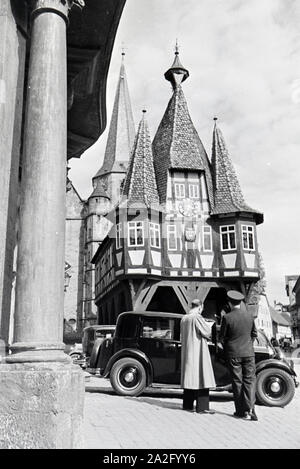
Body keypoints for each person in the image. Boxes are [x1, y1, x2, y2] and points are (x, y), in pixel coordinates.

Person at [219, 290, 258, 421]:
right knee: (249, 380)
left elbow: (222, 338)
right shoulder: (249, 316)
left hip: (233, 353)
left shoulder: (227, 318)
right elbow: (254, 334)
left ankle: (241, 411)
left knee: (237, 382)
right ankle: (251, 409)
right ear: (240, 302)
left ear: (230, 303)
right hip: (248, 353)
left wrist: (227, 347)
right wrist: (248, 344)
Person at [180, 299, 216, 414]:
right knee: (202, 376)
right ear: (200, 306)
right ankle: (202, 407)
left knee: (189, 377)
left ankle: (188, 404)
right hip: (198, 351)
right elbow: (207, 332)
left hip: (187, 351)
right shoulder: (197, 318)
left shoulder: (184, 318)